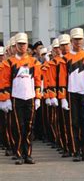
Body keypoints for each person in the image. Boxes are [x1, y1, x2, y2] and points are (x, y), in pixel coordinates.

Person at [0, 33, 42, 165]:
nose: (22, 46)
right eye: (20, 44)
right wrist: (5, 99)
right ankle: (18, 154)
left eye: (24, 44)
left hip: (29, 98)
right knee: (17, 127)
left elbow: (38, 81)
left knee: (29, 127)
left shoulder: (34, 62)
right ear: (16, 45)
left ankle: (27, 154)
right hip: (15, 98)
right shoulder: (9, 63)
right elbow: (4, 82)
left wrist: (38, 98)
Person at [58, 28, 84, 162]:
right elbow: (62, 79)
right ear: (71, 41)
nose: (78, 42)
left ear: (83, 40)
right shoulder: (66, 58)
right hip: (71, 93)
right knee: (73, 123)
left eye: (80, 39)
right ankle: (75, 151)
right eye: (75, 40)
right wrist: (62, 98)